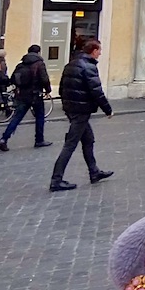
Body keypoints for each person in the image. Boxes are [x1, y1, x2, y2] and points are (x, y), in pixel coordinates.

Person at [50, 39, 114, 192]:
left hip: (72, 109)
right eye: (99, 50)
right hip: (81, 110)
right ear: (93, 51)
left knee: (88, 140)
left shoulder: (71, 64)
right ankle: (56, 180)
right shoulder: (89, 67)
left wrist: (67, 106)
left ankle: (94, 172)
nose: (100, 53)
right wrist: (108, 110)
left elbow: (61, 88)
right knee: (70, 145)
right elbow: (96, 91)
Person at [0, 44, 53, 149]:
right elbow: (44, 79)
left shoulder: (21, 64)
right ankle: (39, 140)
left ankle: (4, 138)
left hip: (23, 94)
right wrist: (48, 90)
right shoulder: (39, 64)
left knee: (17, 117)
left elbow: (13, 78)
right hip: (35, 94)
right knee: (39, 117)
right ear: (38, 52)